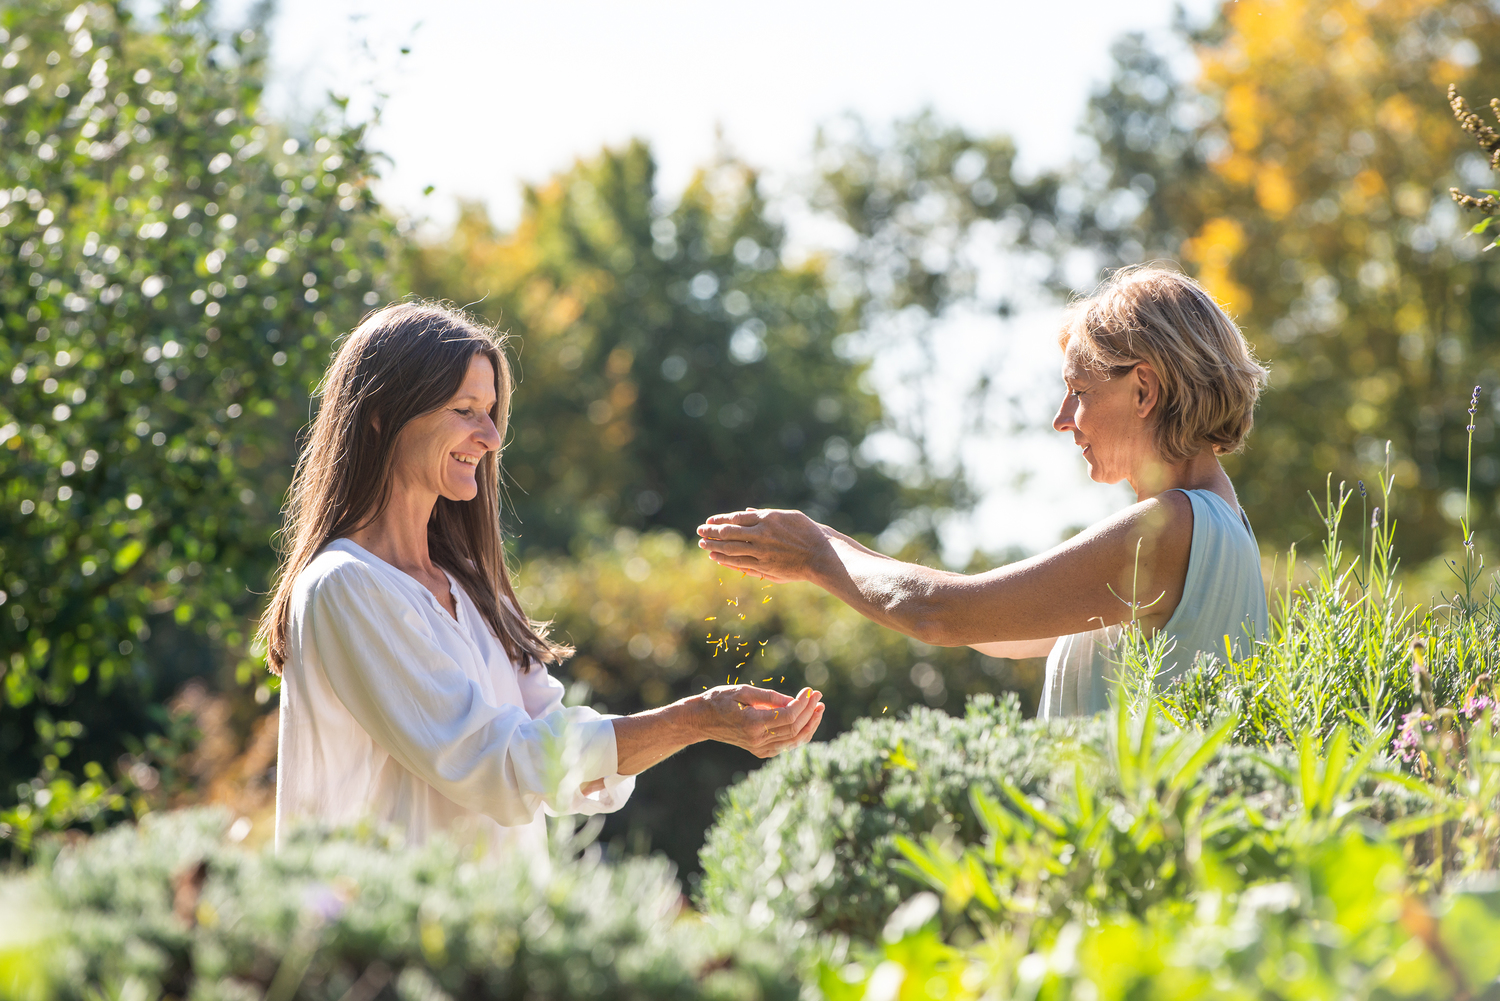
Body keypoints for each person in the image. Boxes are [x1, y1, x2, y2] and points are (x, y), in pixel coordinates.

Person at [259, 301, 823, 854]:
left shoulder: (473, 586)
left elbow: (556, 761)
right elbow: (494, 762)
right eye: (464, 410)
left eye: (490, 411)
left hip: (497, 934)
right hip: (382, 936)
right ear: (382, 416)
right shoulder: (345, 586)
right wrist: (697, 718)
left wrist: (704, 721)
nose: (491, 437)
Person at [697, 267, 1270, 718]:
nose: (1063, 418)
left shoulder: (1173, 526)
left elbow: (941, 614)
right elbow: (995, 635)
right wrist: (825, 543)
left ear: (1143, 388)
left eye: (1078, 390)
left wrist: (817, 555)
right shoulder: (1222, 526)